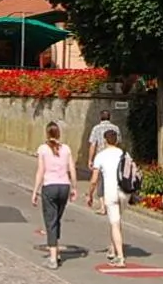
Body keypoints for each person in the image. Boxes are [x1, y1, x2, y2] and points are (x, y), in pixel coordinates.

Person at [31, 121, 77, 269]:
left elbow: (41, 171)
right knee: (57, 219)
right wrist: (74, 187)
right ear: (59, 134)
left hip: (50, 186)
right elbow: (72, 169)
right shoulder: (66, 149)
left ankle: (52, 258)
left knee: (50, 221)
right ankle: (55, 251)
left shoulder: (43, 149)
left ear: (47, 133)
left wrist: (35, 190)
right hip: (64, 186)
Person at [86, 128, 128, 266]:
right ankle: (113, 249)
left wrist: (90, 194)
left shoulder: (101, 156)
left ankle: (120, 257)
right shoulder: (123, 154)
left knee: (114, 223)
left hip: (111, 192)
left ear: (105, 141)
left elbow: (94, 180)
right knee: (117, 221)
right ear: (117, 141)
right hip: (124, 192)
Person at [86, 110, 119, 215]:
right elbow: (119, 142)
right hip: (113, 156)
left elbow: (93, 144)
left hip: (100, 157)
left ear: (100, 117)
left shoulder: (96, 128)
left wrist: (90, 159)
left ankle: (103, 207)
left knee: (100, 181)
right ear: (109, 117)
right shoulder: (115, 128)